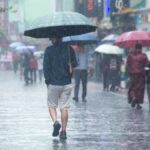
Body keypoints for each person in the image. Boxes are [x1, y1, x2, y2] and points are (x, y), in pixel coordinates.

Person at [43, 37, 77, 140]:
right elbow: (75, 63)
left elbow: (46, 67)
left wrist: (47, 81)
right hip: (66, 82)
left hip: (53, 83)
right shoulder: (69, 49)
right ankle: (63, 132)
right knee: (64, 108)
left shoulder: (48, 50)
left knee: (52, 105)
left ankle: (55, 122)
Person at [127, 43, 150, 109]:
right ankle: (138, 104)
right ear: (141, 48)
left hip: (132, 75)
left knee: (132, 88)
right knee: (140, 90)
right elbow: (148, 64)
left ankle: (134, 98)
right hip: (141, 75)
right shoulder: (143, 56)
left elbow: (128, 64)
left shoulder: (130, 55)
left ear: (135, 48)